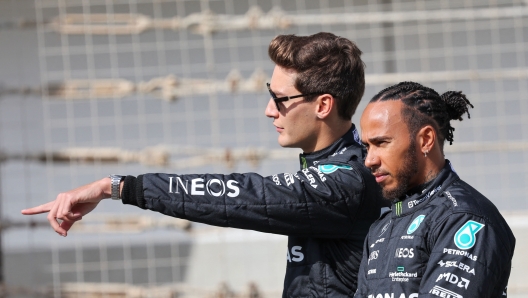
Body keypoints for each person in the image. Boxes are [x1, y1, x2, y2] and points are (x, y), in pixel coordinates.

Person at [22, 32, 388, 297]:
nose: (268, 110)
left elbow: (240, 196)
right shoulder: (339, 165)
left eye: (280, 99)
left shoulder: (347, 180)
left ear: (323, 106)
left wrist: (119, 187)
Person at [355, 81, 515, 298]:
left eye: (381, 143)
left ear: (425, 140)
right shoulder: (383, 225)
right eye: (367, 147)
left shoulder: (465, 218)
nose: (369, 160)